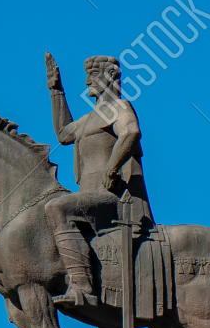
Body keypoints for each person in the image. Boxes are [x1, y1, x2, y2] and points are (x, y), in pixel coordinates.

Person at [42, 53, 152, 307]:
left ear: (111, 76)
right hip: (88, 195)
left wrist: (112, 169)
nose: (87, 83)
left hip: (112, 197)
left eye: (92, 76)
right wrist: (56, 90)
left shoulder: (119, 108)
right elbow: (64, 134)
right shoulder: (90, 119)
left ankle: (82, 287)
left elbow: (131, 132)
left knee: (57, 207)